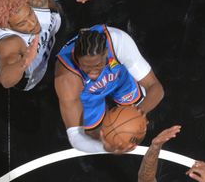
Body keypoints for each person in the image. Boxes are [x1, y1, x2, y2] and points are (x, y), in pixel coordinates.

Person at [0, 0, 100, 91]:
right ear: (7, 26)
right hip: (28, 76)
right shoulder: (10, 43)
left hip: (45, 20)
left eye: (30, 13)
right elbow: (6, 80)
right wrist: (25, 61)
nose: (32, 23)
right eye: (22, 23)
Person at [55, 25, 164, 153]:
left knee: (141, 105)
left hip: (118, 78)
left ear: (106, 52)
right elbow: (76, 137)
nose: (92, 74)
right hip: (88, 93)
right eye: (86, 67)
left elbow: (155, 87)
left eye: (97, 65)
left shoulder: (119, 42)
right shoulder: (66, 78)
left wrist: (139, 113)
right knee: (95, 134)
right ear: (76, 57)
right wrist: (106, 147)